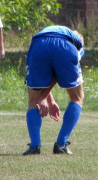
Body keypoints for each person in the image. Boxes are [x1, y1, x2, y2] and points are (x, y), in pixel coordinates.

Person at [22, 25, 85, 155]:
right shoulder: (77, 44)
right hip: (63, 46)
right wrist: (45, 98)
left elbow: (49, 75)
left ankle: (34, 146)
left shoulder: (56, 30)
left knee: (33, 100)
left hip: (39, 43)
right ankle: (61, 144)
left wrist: (47, 99)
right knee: (77, 98)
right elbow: (58, 73)